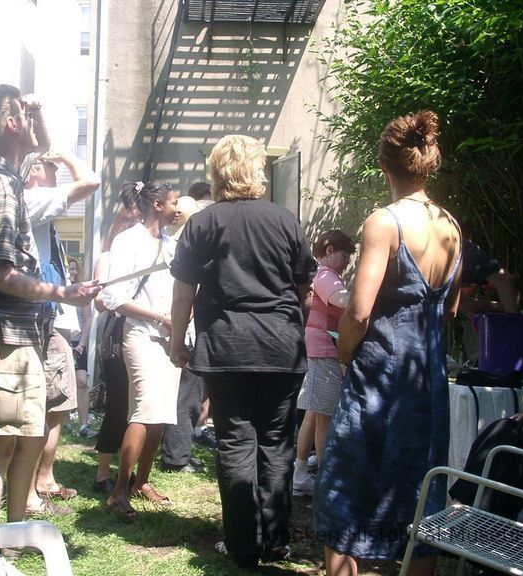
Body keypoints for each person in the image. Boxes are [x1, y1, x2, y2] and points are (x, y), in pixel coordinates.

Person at [313, 110, 462, 576]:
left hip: (379, 378)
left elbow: (358, 311)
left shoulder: (384, 222)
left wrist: (343, 354)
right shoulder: (450, 226)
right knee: (422, 493)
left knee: (344, 485)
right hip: (427, 381)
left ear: (384, 166)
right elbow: (451, 310)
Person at [0, 84, 99, 576]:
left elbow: (46, 151)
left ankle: (12, 548)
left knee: (26, 437)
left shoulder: (4, 174)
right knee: (0, 444)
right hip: (6, 334)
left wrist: (38, 117)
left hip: (20, 332)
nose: (31, 119)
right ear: (12, 124)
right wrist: (60, 293)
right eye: (24, 112)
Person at [169, 134, 317, 570]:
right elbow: (303, 288)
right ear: (257, 172)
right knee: (277, 442)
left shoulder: (202, 223)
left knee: (235, 442)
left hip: (227, 346)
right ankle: (275, 540)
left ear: (216, 174)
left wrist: (178, 341)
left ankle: (242, 545)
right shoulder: (284, 220)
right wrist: (294, 330)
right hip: (281, 347)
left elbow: (182, 293)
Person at [22, 150, 100, 514]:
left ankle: (44, 479)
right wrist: (68, 156)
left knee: (58, 403)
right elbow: (91, 181)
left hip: (49, 318)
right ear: (34, 171)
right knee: (43, 405)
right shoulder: (32, 199)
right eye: (50, 166)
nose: (60, 171)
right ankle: (32, 489)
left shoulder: (38, 202)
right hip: (36, 318)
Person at [101, 180, 181, 517]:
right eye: (174, 202)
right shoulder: (127, 241)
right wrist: (160, 317)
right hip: (139, 335)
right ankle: (119, 491)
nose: (178, 208)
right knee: (144, 411)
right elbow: (112, 297)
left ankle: (141, 482)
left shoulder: (170, 244)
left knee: (160, 414)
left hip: (168, 339)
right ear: (158, 205)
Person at [293, 229, 355, 496]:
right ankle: (327, 481)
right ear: (329, 250)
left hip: (316, 348)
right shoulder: (326, 275)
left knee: (313, 413)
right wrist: (368, 299)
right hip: (322, 350)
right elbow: (342, 300)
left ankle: (299, 473)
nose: (348, 262)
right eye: (345, 256)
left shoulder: (321, 274)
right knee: (325, 417)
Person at [92, 188, 141, 493]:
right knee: (117, 406)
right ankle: (101, 475)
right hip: (116, 336)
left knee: (135, 408)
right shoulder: (109, 255)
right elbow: (98, 301)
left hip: (140, 332)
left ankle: (127, 471)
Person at [161, 195, 208, 473]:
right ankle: (176, 458)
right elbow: (184, 296)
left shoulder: (170, 246)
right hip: (183, 330)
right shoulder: (183, 249)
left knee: (186, 394)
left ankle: (180, 453)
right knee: (186, 396)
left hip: (176, 327)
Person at [68, 257, 97, 439]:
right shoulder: (58, 289)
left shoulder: (81, 292)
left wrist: (82, 344)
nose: (71, 272)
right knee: (62, 383)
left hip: (78, 343)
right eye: (68, 268)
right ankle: (65, 423)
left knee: (81, 382)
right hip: (62, 341)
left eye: (73, 268)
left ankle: (84, 425)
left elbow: (88, 319)